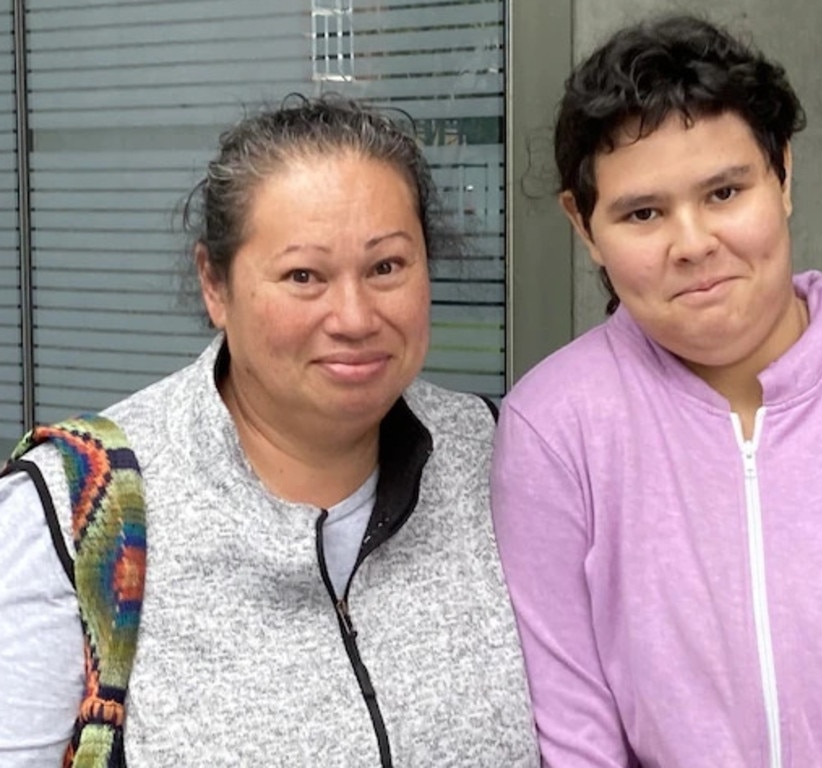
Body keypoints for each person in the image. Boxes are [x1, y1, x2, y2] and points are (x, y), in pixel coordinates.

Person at [490, 13, 822, 767]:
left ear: (784, 177)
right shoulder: (555, 429)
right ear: (584, 228)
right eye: (643, 213)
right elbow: (575, 744)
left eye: (724, 192)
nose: (694, 243)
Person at [0, 94, 538, 767]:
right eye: (303, 275)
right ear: (214, 285)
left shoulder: (499, 457)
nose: (354, 315)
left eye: (386, 267)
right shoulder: (77, 507)